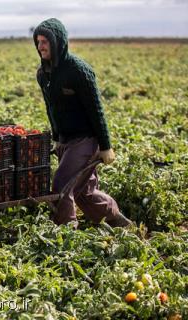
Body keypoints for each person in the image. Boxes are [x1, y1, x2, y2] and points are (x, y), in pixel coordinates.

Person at [33, 18, 133, 228]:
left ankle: (66, 231)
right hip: (66, 141)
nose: (41, 46)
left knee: (62, 184)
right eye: (38, 41)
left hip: (86, 139)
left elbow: (96, 109)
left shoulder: (78, 70)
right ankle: (115, 218)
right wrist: (57, 139)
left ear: (58, 42)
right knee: (84, 192)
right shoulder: (43, 75)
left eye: (45, 41)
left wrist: (105, 146)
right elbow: (51, 110)